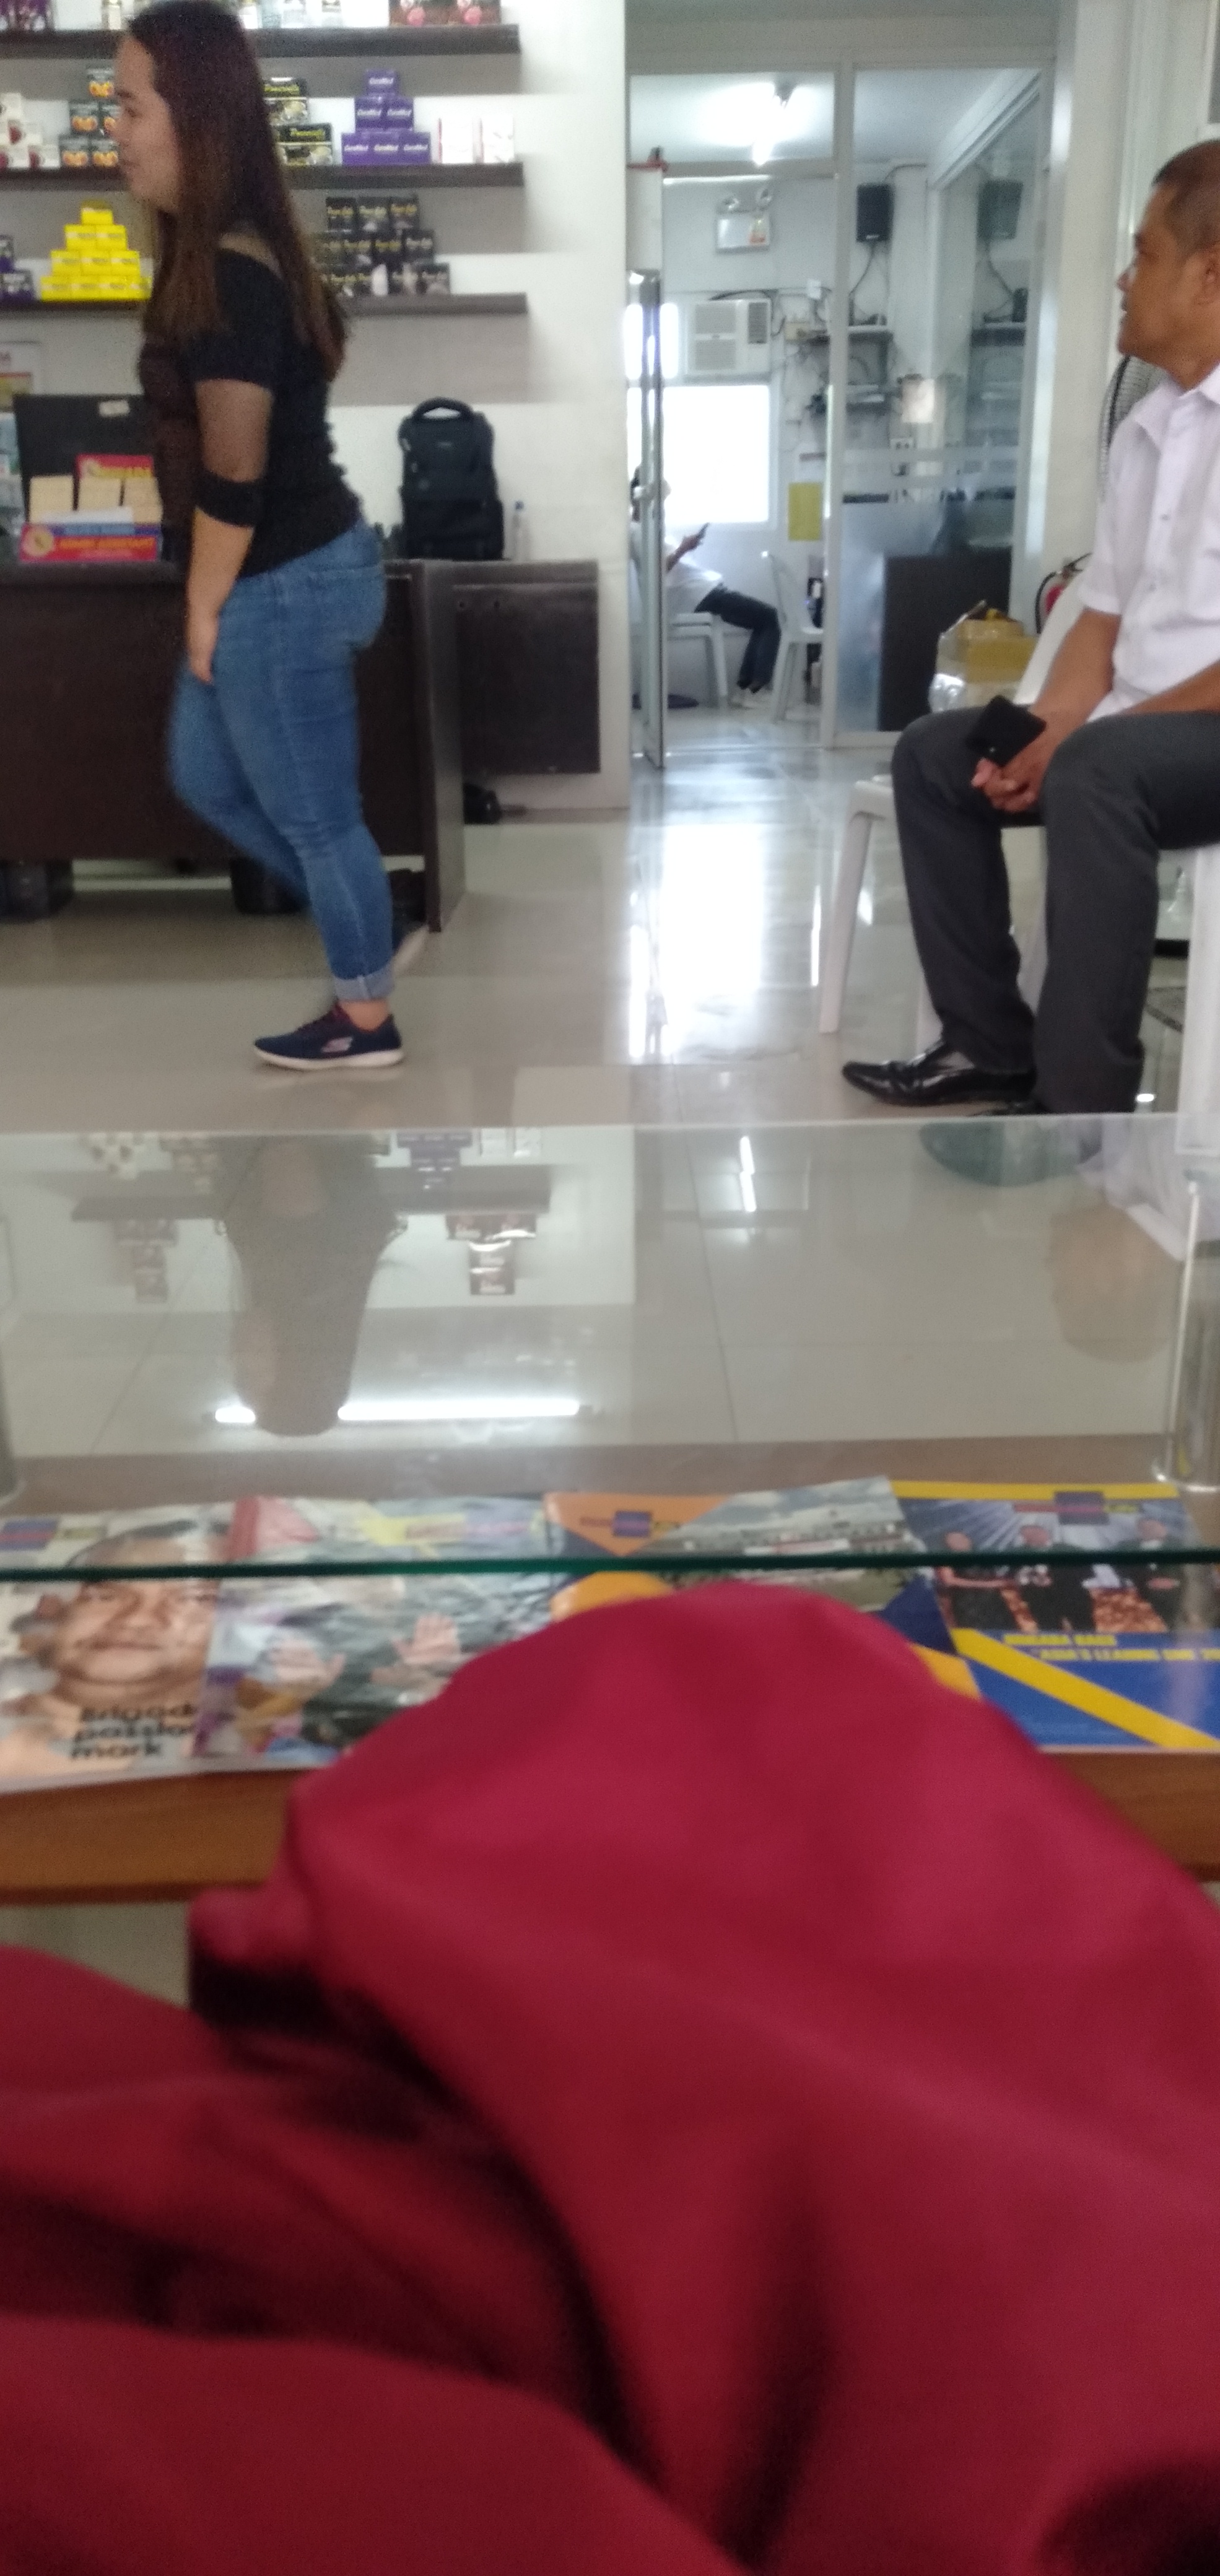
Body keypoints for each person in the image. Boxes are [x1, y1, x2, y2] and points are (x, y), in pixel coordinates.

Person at [843, 141, 1220, 1115]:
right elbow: (1102, 615)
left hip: (1197, 732)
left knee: (1096, 770)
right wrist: (1045, 724)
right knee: (937, 755)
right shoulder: (1147, 431)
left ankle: (1077, 1105)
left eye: (1142, 255)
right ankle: (989, 1046)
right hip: (1134, 731)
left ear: (1208, 273)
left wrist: (1085, 742)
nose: (1122, 279)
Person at [117, 1, 414, 1073]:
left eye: (131, 107)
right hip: (275, 574)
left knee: (316, 814)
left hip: (279, 580)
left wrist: (203, 604)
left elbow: (235, 469)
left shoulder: (233, 271)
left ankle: (366, 1017)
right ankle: (363, 909)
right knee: (206, 778)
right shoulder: (216, 257)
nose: (116, 131)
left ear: (194, 118)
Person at [628, 473, 780, 697]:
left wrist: (684, 548)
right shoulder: (638, 532)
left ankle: (747, 690)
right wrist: (683, 549)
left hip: (699, 590)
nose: (659, 506)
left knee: (763, 620)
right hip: (694, 593)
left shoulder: (646, 529)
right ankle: (755, 692)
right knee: (770, 617)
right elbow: (656, 570)